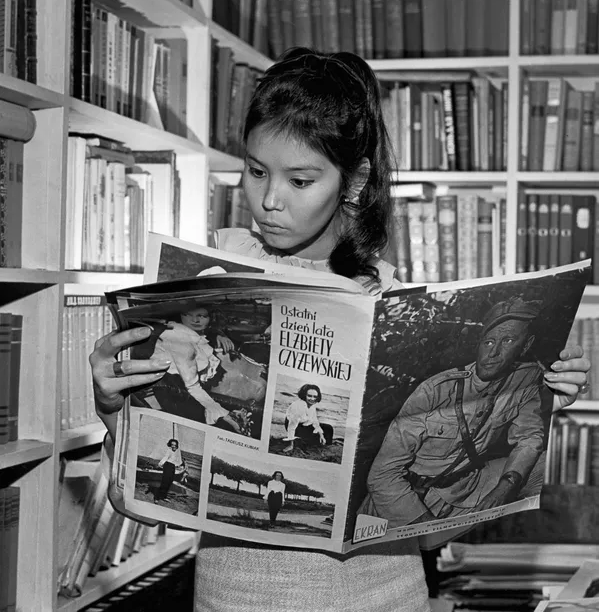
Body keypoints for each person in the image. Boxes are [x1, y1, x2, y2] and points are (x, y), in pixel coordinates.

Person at [90, 47, 590, 612]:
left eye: (300, 180)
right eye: (256, 171)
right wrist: (113, 409)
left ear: (354, 181)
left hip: (386, 598)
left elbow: (431, 533)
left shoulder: (392, 305)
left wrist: (540, 403)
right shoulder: (204, 288)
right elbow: (138, 502)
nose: (269, 200)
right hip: (236, 598)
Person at [359, 296, 561, 528]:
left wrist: (507, 485)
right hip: (403, 501)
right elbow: (382, 475)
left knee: (545, 464)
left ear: (525, 346)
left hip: (464, 489)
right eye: (488, 342)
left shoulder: (525, 379)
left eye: (507, 341)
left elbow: (529, 437)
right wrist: (426, 528)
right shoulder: (435, 390)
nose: (493, 353)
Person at [134, 304, 242, 433]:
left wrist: (218, 334)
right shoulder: (181, 343)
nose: (195, 320)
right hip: (174, 392)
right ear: (180, 315)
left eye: (201, 316)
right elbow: (192, 387)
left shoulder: (186, 331)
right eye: (188, 315)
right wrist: (223, 413)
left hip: (183, 386)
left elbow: (205, 333)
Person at [282, 383, 334, 454]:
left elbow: (315, 421)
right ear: (304, 395)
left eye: (315, 396)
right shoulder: (298, 406)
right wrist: (291, 445)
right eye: (309, 396)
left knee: (328, 428)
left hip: (304, 424)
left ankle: (327, 446)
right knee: (313, 439)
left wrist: (321, 435)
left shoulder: (312, 405)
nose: (312, 399)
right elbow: (291, 426)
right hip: (294, 426)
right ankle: (299, 441)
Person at [155, 438, 184, 503]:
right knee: (164, 482)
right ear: (170, 445)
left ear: (177, 445)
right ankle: (156, 498)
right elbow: (165, 457)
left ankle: (164, 496)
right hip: (167, 466)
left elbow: (178, 459)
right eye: (172, 445)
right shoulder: (169, 450)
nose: (173, 446)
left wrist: (178, 466)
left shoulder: (177, 451)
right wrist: (160, 464)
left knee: (169, 482)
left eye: (175, 445)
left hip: (173, 467)